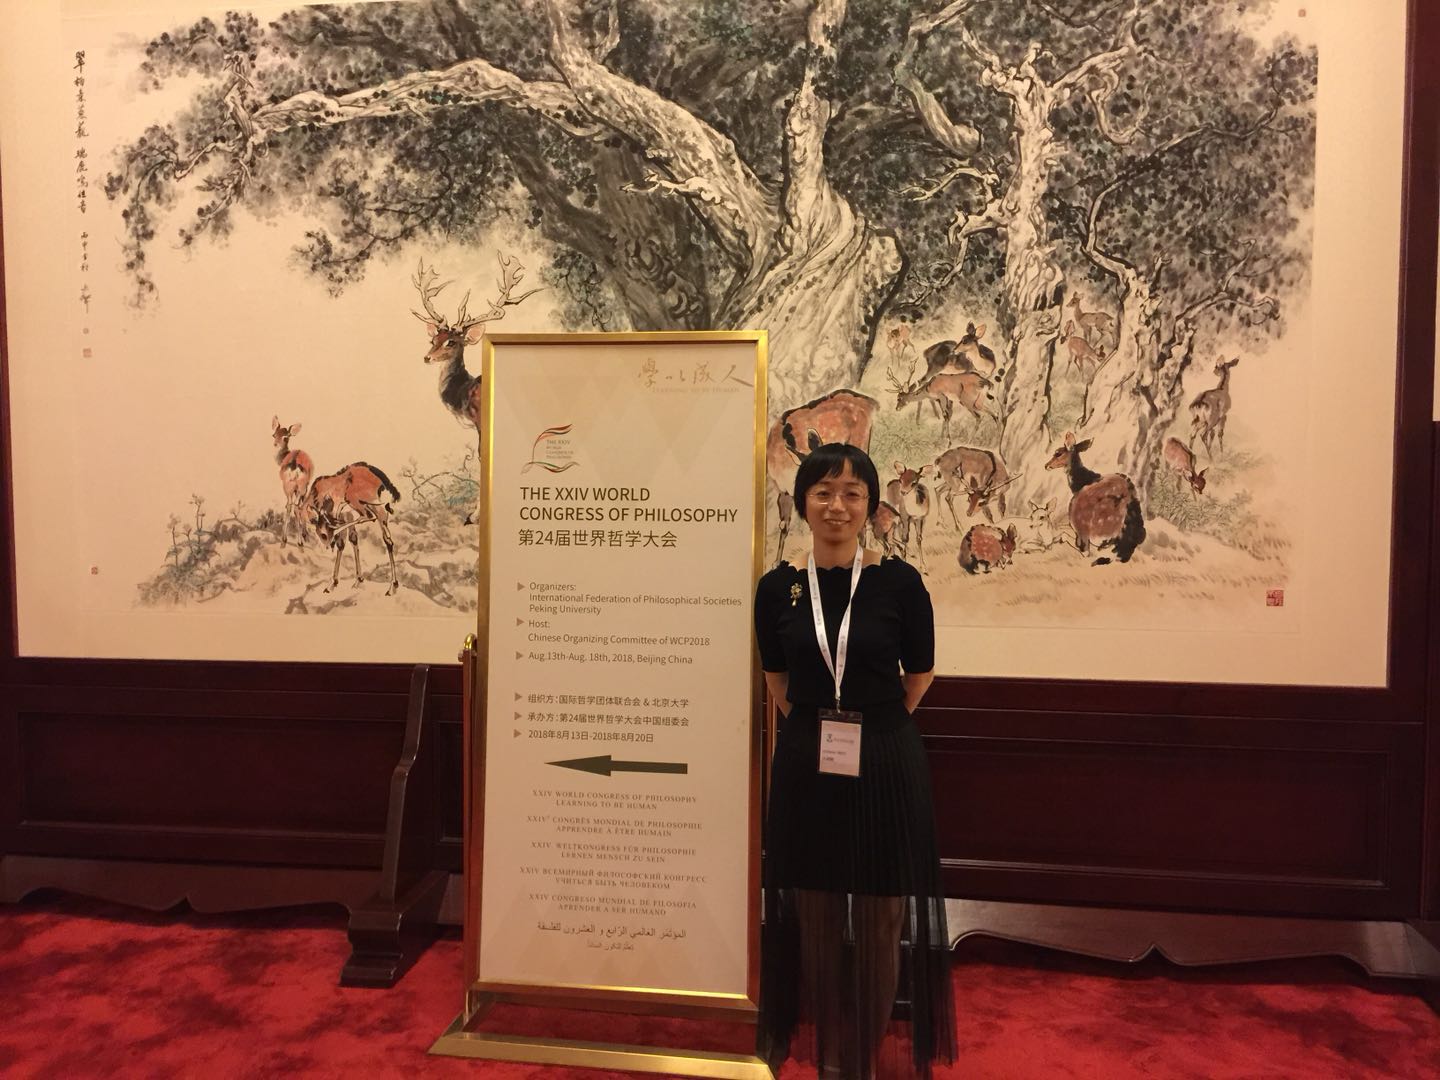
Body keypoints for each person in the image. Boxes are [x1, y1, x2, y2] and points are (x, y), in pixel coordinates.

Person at [754, 442, 957, 1079]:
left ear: (870, 505)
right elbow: (778, 680)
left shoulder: (900, 582)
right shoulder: (778, 588)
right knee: (814, 915)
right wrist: (820, 726)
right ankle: (829, 1057)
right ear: (802, 504)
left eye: (852, 493)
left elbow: (918, 675)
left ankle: (861, 1058)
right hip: (806, 763)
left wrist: (873, 723)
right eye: (823, 492)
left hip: (886, 761)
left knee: (879, 917)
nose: (836, 505)